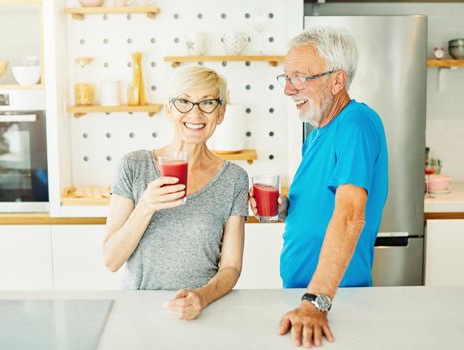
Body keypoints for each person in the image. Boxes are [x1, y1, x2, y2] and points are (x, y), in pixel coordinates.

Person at [250, 26, 388, 347]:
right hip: (303, 297)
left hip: (333, 301)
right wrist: (283, 208)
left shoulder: (356, 122)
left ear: (336, 81)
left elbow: (350, 214)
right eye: (286, 78)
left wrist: (317, 302)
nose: (288, 90)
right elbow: (319, 206)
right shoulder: (315, 137)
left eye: (299, 77)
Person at [103, 66, 248, 320]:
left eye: (208, 103)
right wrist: (146, 206)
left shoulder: (234, 178)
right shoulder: (134, 166)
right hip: (139, 313)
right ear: (169, 110)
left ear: (221, 113)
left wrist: (201, 297)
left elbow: (231, 266)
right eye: (183, 101)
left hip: (203, 310)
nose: (195, 113)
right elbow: (111, 260)